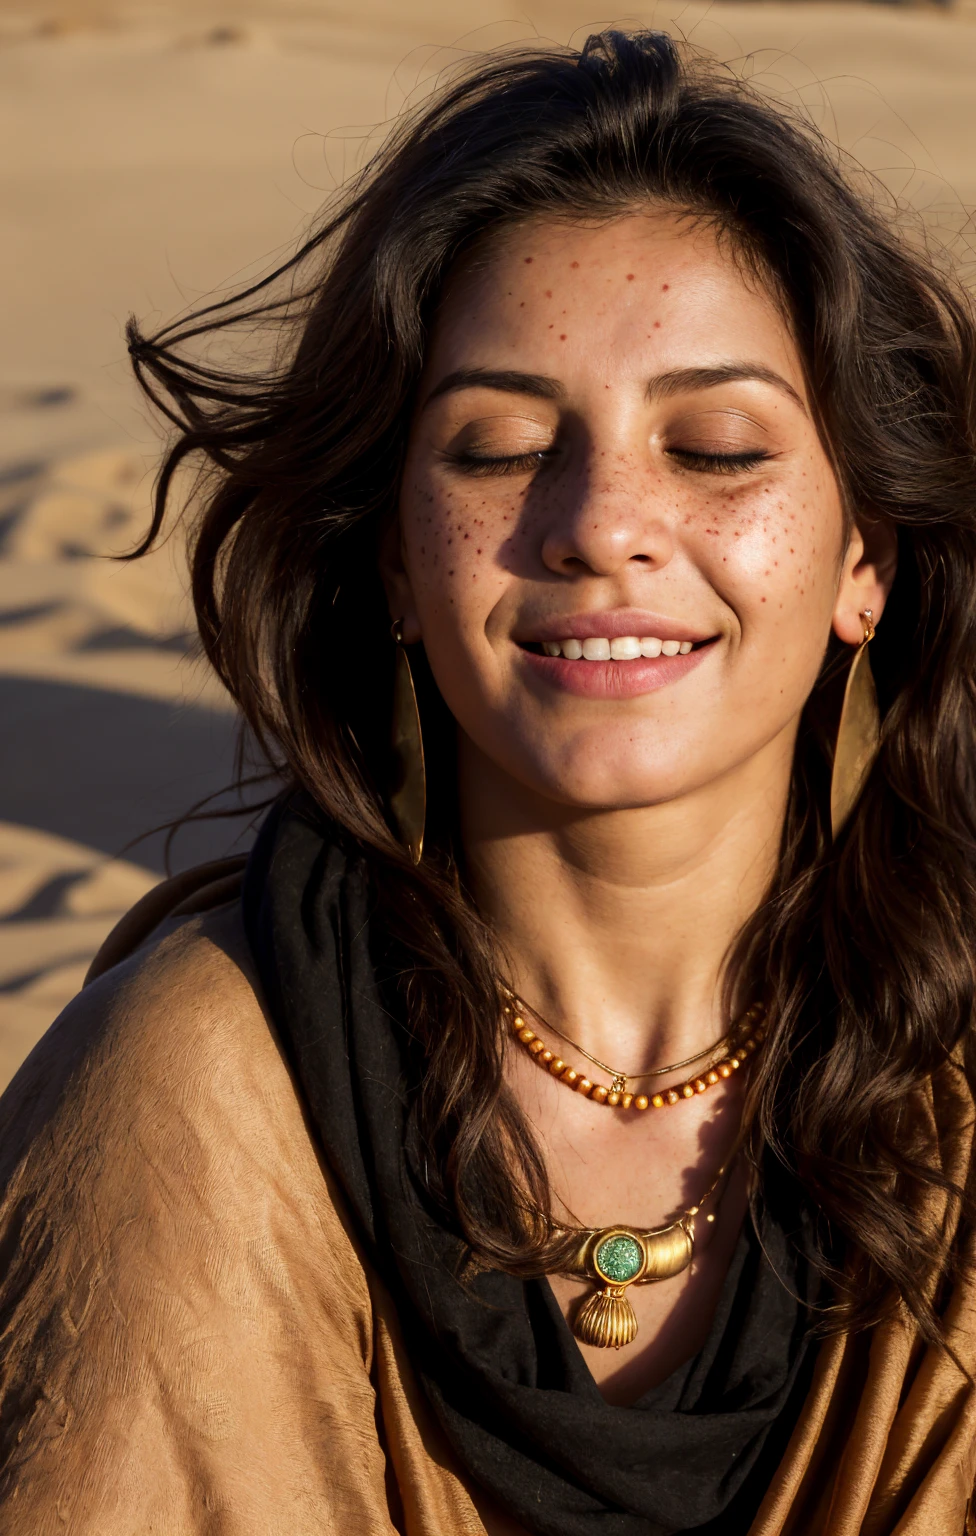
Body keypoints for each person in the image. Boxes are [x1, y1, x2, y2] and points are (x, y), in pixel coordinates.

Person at [1, 28, 974, 1535]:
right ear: (394, 562)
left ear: (865, 560)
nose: (601, 525)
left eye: (716, 446)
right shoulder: (191, 1096)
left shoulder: (955, 1106)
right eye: (503, 446)